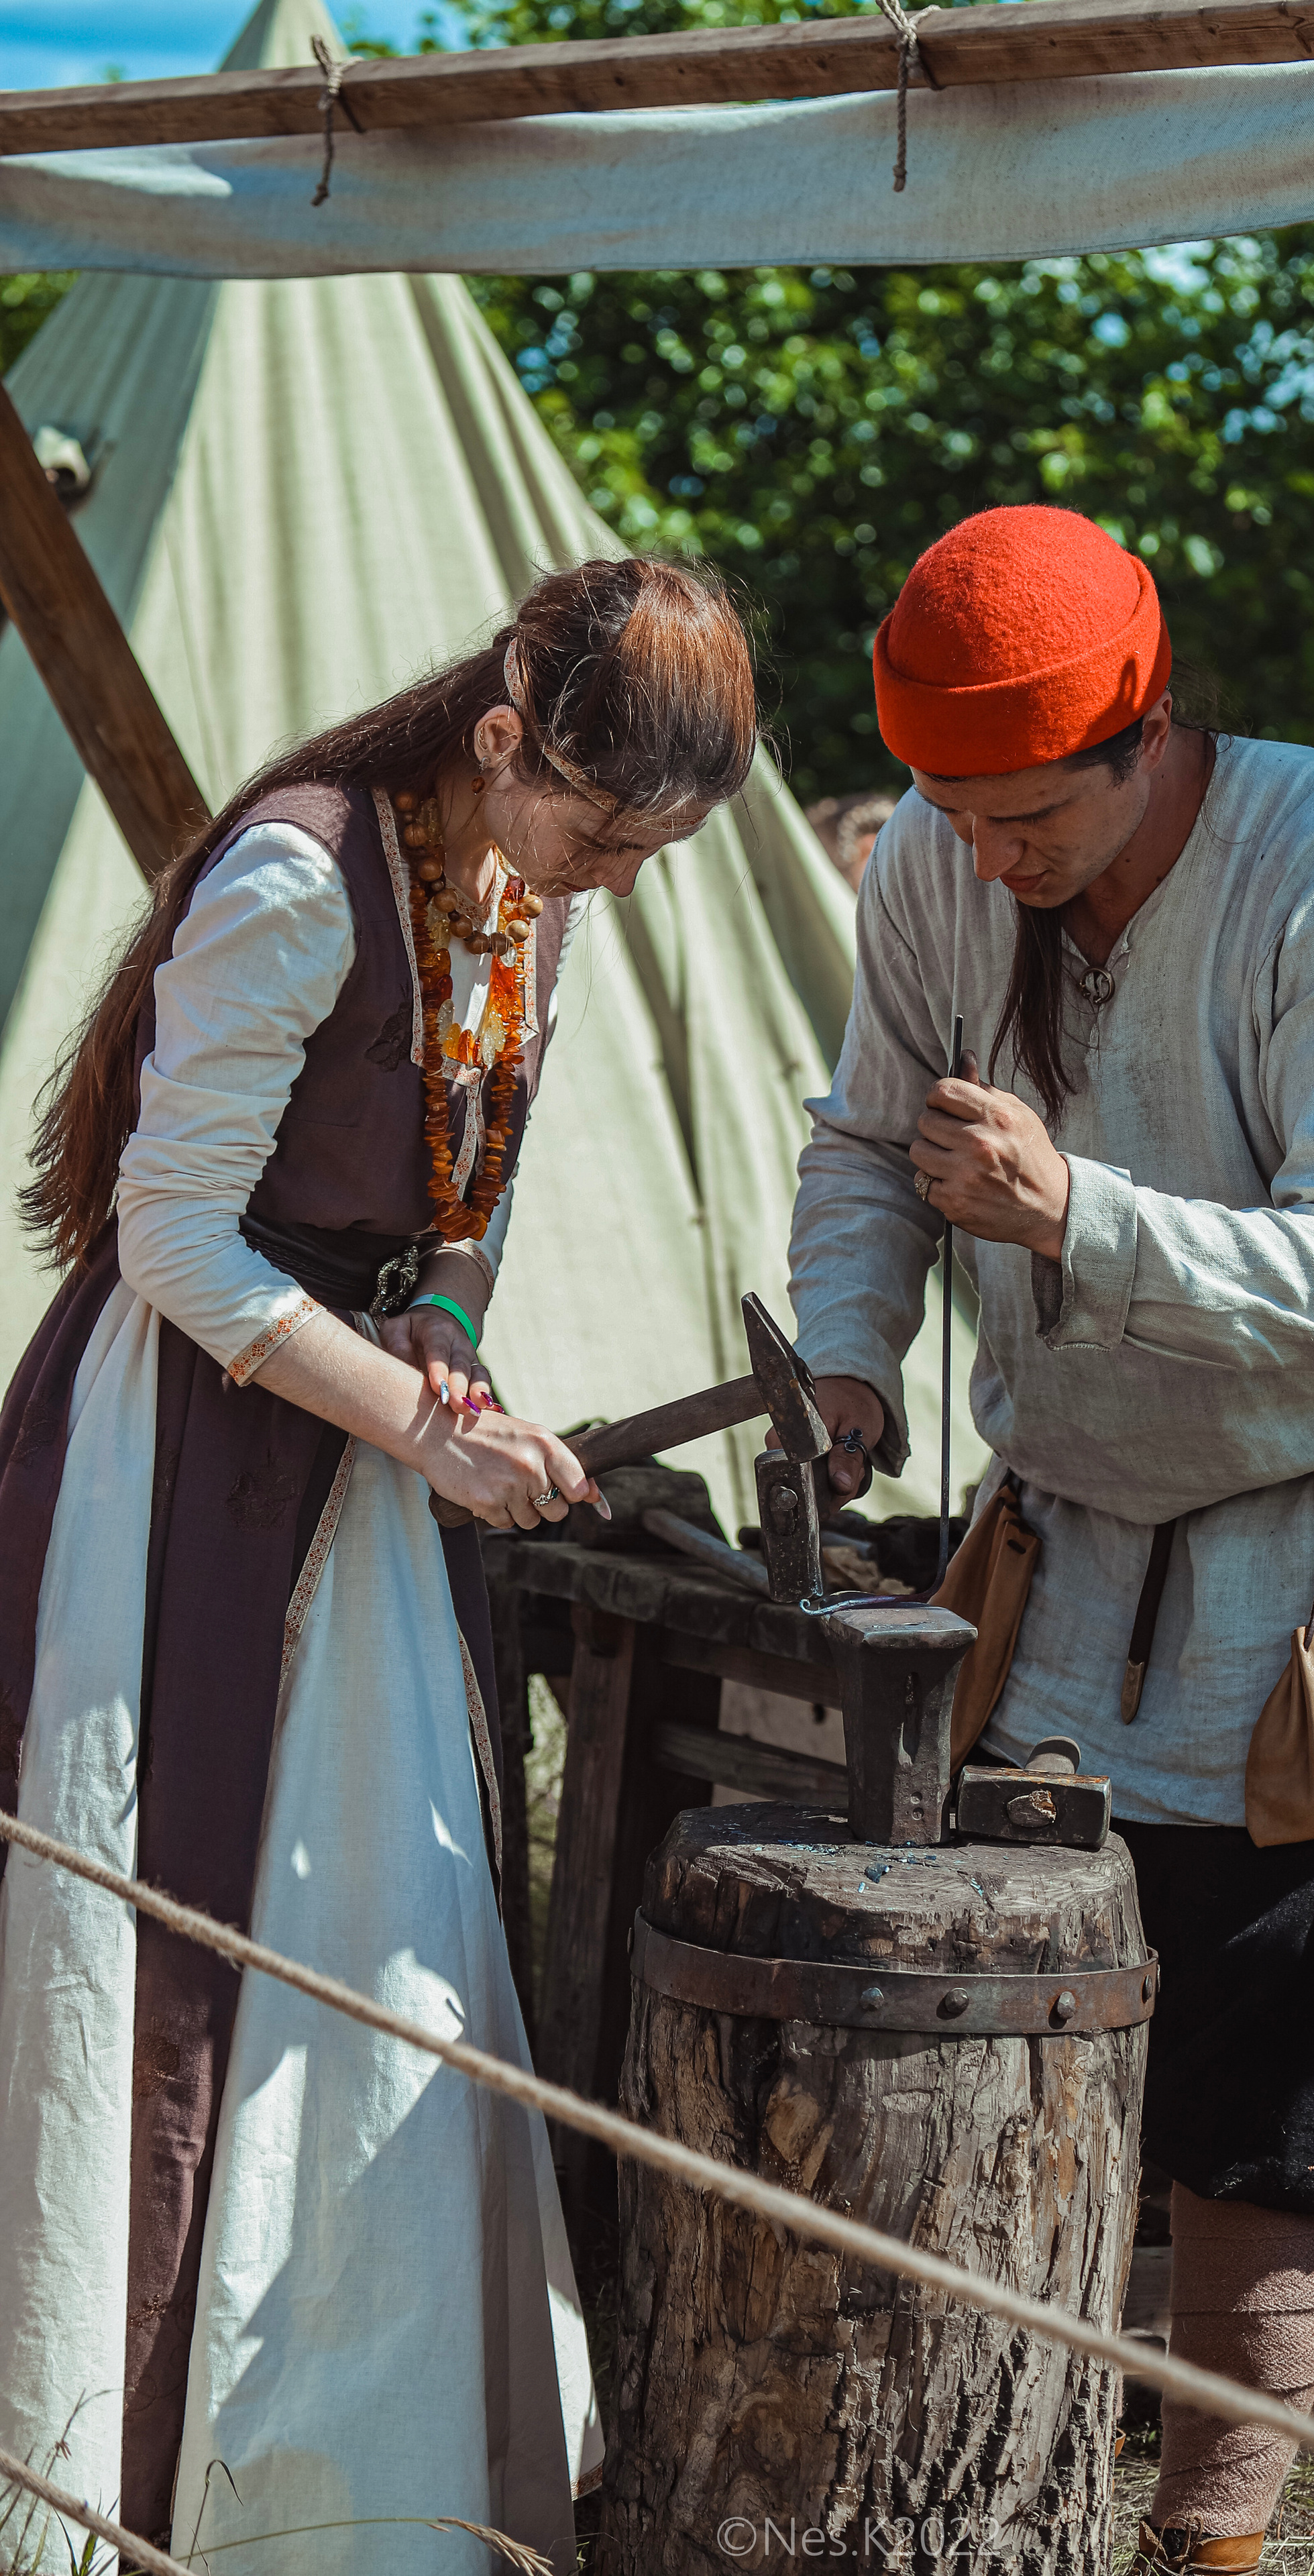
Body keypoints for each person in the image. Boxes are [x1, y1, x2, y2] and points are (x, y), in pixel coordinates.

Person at [786, 506, 1314, 2571]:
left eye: (1023, 810)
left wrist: (1081, 1220)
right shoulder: (949, 873)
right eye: (948, 808)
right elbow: (874, 1137)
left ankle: (1212, 2546)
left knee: (1280, 2088)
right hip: (1076, 1544)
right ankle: (993, 2495)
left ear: (1146, 735)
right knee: (1026, 2003)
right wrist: (852, 1364)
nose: (980, 855)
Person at [0, 557, 757, 2573]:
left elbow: (470, 1192)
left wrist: (452, 1334)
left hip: (347, 1452)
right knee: (171, 1950)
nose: (607, 879)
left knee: (383, 1935)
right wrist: (418, 1423)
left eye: (644, 855)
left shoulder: (517, 894)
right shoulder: (298, 874)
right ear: (509, 738)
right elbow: (173, 1237)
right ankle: (126, 2482)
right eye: (598, 833)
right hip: (185, 1468)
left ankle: (347, 2485)